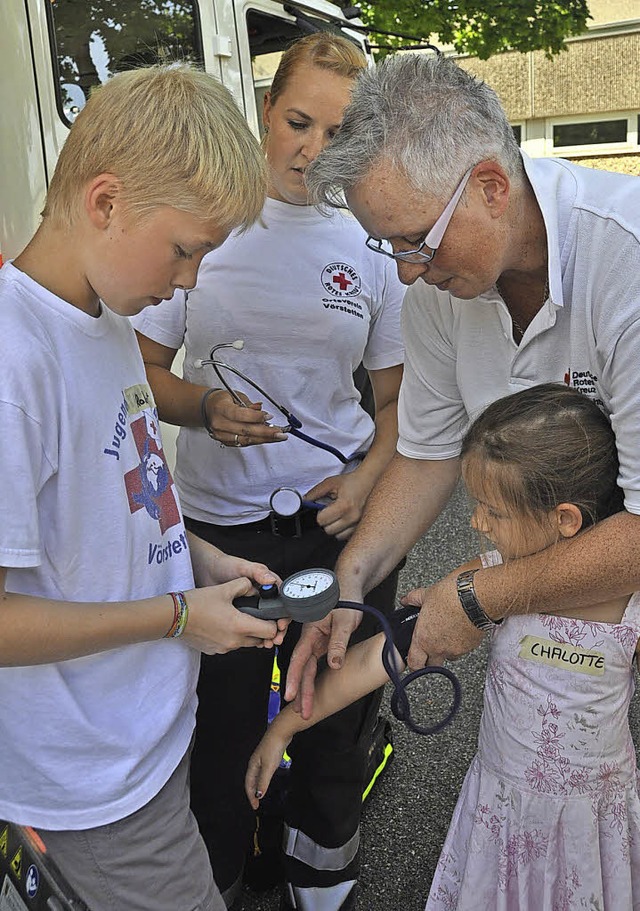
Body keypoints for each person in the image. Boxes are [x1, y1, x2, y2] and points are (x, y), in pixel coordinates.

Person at [0, 63, 291, 911]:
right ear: (105, 202)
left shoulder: (109, 328)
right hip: (92, 785)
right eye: (186, 248)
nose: (190, 279)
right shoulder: (16, 365)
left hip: (146, 739)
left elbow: (128, 503)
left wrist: (201, 562)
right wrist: (175, 617)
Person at [132, 32, 405, 911]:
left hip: (339, 529)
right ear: (263, 110)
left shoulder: (371, 235)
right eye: (296, 122)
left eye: (335, 132)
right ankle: (219, 881)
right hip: (222, 528)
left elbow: (410, 406)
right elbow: (142, 372)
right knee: (219, 734)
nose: (312, 151)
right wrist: (203, 407)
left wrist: (366, 483)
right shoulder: (208, 217)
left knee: (330, 724)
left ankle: (320, 888)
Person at [285, 50, 640, 716]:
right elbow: (427, 453)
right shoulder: (439, 295)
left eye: (416, 240)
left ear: (492, 187)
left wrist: (481, 594)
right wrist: (351, 578)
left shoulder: (627, 262)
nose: (408, 272)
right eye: (388, 245)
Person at [248, 384, 640, 910]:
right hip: (501, 805)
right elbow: (375, 657)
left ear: (564, 519)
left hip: (597, 813)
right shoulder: (487, 582)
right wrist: (282, 729)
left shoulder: (629, 597)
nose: (476, 522)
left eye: (492, 510)